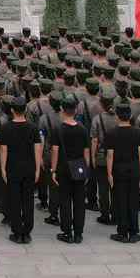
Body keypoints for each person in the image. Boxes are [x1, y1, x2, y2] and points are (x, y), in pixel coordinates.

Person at [0, 96, 41, 244]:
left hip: (12, 167)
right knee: (28, 200)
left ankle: (16, 232)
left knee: (14, 200)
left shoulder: (5, 128)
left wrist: (2, 168)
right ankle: (27, 232)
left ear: (12, 110)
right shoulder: (33, 128)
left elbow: (3, 150)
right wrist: (37, 169)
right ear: (25, 110)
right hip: (29, 167)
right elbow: (37, 149)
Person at [50, 94, 87, 244]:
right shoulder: (83, 129)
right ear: (76, 110)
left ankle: (67, 232)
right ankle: (78, 233)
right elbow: (86, 152)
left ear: (62, 110)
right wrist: (86, 169)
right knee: (79, 202)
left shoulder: (58, 129)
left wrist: (53, 170)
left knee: (65, 201)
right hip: (79, 168)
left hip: (64, 168)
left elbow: (55, 150)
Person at [106, 102, 140, 243]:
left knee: (120, 201)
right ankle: (134, 232)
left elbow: (110, 155)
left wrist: (109, 173)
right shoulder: (138, 132)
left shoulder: (111, 133)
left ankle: (122, 232)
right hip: (134, 169)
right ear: (130, 116)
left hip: (118, 170)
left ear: (117, 116)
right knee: (133, 201)